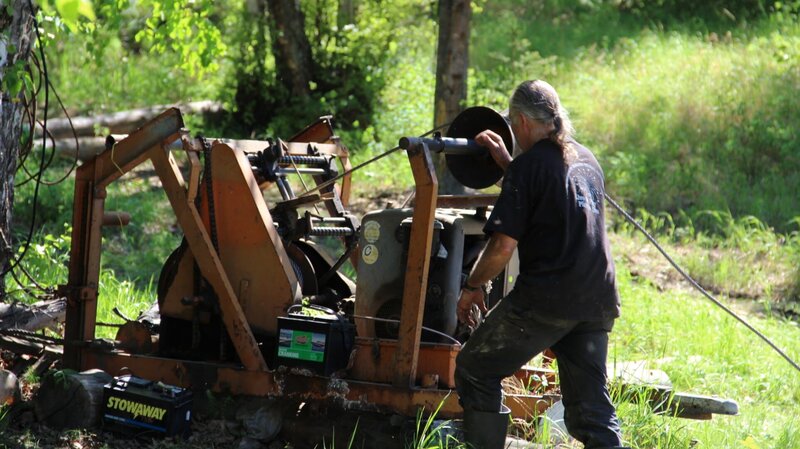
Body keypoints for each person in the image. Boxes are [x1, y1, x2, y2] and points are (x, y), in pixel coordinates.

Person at [455, 80, 628, 449]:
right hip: (596, 299)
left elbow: (502, 247)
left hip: (549, 299)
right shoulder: (587, 159)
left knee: (475, 369)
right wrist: (508, 166)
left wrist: (471, 287)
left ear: (519, 120)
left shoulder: (528, 168)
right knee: (592, 410)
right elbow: (550, 197)